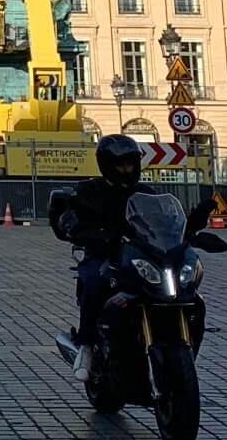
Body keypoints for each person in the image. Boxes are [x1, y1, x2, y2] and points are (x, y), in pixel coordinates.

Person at [49, 134, 159, 383]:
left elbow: (164, 221)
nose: (126, 169)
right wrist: (81, 230)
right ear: (107, 164)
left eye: (130, 163)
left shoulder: (146, 193)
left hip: (140, 257)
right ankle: (86, 346)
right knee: (93, 282)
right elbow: (69, 217)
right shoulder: (88, 191)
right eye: (120, 164)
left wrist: (192, 230)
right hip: (103, 255)